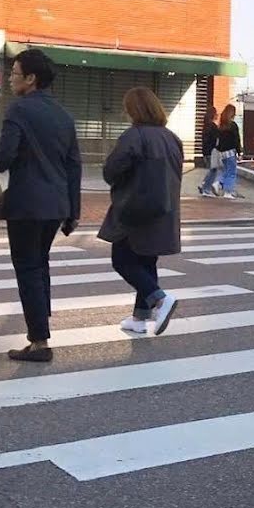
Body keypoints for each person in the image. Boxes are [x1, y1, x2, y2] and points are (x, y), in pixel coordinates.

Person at [0, 48, 81, 363]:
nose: (10, 78)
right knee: (40, 264)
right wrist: (73, 212)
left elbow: (3, 160)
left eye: (14, 73)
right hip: (56, 205)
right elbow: (74, 166)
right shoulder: (64, 115)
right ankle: (40, 329)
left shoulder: (18, 110)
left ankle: (39, 341)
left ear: (30, 78)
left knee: (28, 268)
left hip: (26, 204)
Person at [99, 88, 183, 335]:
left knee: (122, 260)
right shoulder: (172, 138)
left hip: (135, 210)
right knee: (146, 262)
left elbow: (111, 171)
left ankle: (160, 299)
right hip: (164, 210)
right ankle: (140, 318)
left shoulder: (134, 136)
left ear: (134, 110)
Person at [215, 104, 241, 200]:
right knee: (231, 172)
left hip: (222, 153)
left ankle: (218, 182)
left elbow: (218, 141)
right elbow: (236, 140)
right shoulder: (233, 125)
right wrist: (239, 152)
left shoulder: (221, 126)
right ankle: (227, 191)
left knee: (226, 170)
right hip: (230, 152)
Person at [198, 107, 220, 197]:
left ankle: (204, 186)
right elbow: (216, 139)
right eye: (216, 113)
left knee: (212, 169)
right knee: (213, 170)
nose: (217, 115)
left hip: (205, 151)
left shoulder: (205, 126)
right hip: (212, 151)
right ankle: (205, 188)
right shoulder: (213, 126)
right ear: (213, 115)